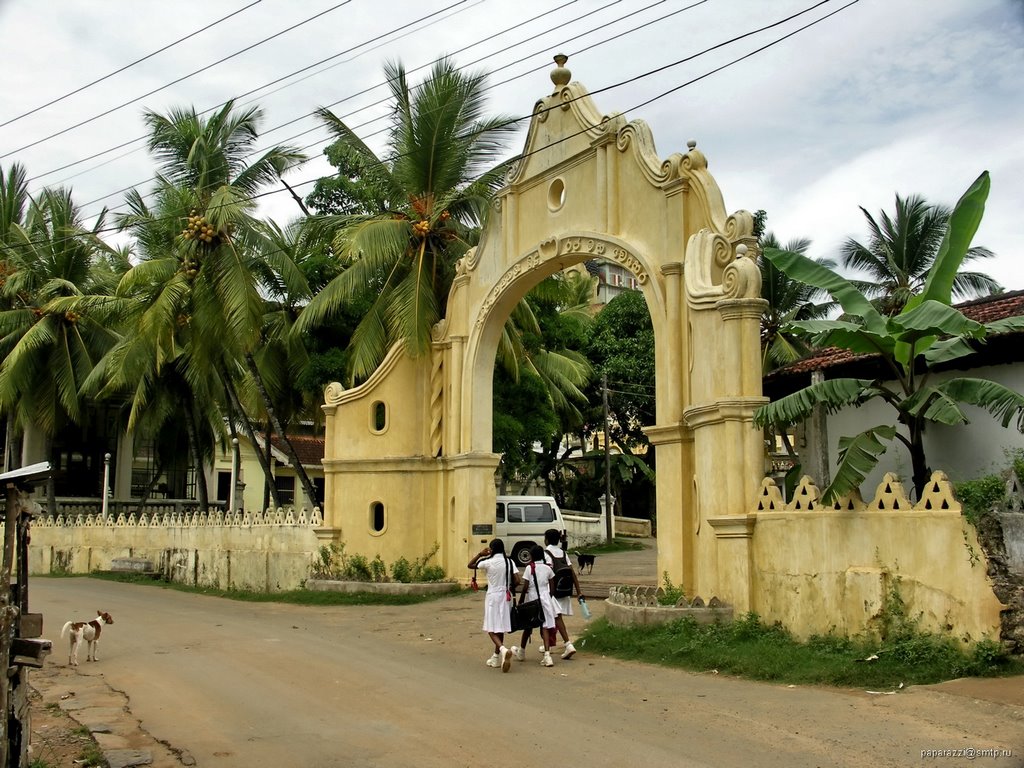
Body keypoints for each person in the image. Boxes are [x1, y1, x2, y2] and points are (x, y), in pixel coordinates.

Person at [468, 538, 519, 672]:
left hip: (493, 595)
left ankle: (503, 650)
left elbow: (470, 565)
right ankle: (496, 657)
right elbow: (517, 580)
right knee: (500, 627)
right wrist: (508, 586)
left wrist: (480, 554)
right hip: (506, 595)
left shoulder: (488, 562)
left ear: (491, 549)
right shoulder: (509, 561)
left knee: (491, 627)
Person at [513, 544, 558, 667]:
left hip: (532, 600)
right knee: (545, 627)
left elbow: (526, 587)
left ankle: (521, 651)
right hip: (545, 599)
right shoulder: (548, 568)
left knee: (528, 626)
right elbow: (552, 587)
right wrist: (548, 597)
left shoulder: (529, 568)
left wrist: (521, 601)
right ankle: (547, 655)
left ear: (532, 556)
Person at [543, 527, 582, 659]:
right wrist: (579, 592)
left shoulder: (546, 554)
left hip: (551, 591)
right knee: (553, 617)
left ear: (546, 539)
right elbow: (572, 573)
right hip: (564, 590)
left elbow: (545, 574)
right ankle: (549, 643)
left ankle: (568, 644)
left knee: (555, 617)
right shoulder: (563, 553)